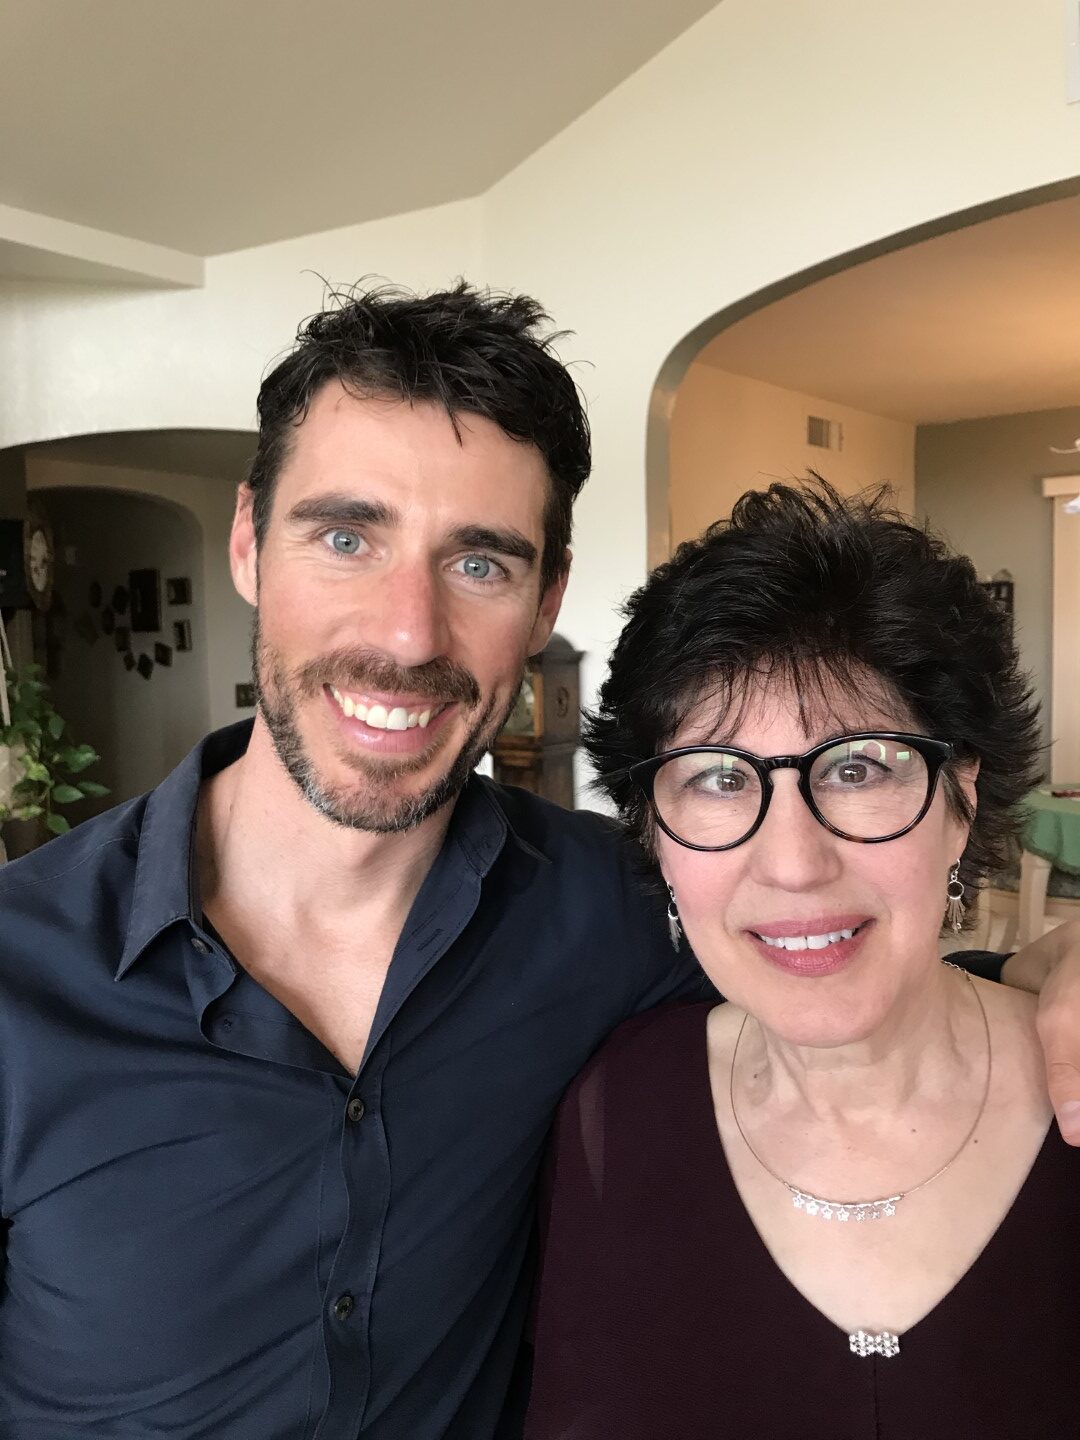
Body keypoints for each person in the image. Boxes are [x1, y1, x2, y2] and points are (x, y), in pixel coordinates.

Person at [0, 290, 1072, 1440]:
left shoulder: (611, 907)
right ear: (250, 542)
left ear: (547, 598)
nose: (408, 633)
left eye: (480, 563)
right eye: (347, 537)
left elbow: (832, 951)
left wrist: (1054, 958)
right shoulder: (21, 975)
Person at [525, 481, 1080, 1439]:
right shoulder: (611, 1113)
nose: (792, 863)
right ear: (654, 833)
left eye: (857, 767)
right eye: (717, 778)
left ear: (961, 800)